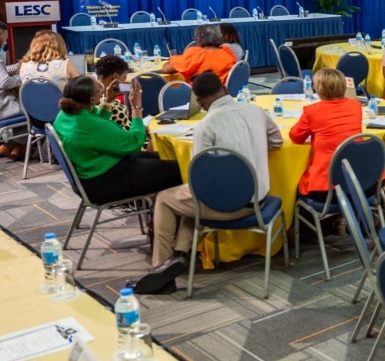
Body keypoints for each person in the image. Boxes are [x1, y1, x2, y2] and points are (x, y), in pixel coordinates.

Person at [139, 72, 281, 288]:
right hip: (259, 199)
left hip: (228, 206)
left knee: (167, 199)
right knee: (190, 202)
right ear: (224, 88)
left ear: (200, 101)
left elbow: (200, 176)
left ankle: (161, 268)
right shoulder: (255, 110)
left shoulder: (206, 126)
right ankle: (180, 253)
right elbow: (277, 141)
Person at [52, 74, 182, 207]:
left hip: (92, 173)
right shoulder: (92, 126)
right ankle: (168, 214)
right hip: (105, 182)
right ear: (92, 99)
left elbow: (96, 125)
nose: (103, 89)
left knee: (166, 158)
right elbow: (135, 141)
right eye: (99, 89)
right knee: (181, 169)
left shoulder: (66, 114)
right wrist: (136, 108)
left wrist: (108, 100)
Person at [291, 68, 363, 204]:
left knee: (293, 184)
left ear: (318, 89)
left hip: (327, 187)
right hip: (361, 181)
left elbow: (295, 137)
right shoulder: (355, 106)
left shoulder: (312, 111)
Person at [162, 24, 237, 84]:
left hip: (199, 96)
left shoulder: (196, 53)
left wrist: (172, 60)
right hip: (222, 93)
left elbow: (166, 69)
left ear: (199, 39)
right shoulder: (228, 53)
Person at [94, 54, 137, 130]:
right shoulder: (103, 102)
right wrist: (136, 107)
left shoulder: (97, 93)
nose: (124, 82)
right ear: (115, 76)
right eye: (124, 78)